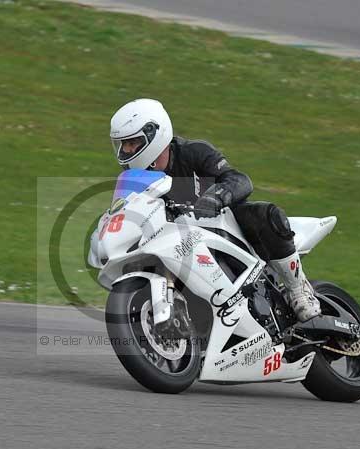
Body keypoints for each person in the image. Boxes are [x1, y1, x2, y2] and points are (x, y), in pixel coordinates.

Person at [109, 98, 321, 322]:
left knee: (267, 214)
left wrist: (215, 197)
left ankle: (298, 288)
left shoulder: (193, 152)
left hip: (225, 226)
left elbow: (239, 180)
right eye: (122, 144)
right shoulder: (135, 180)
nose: (125, 150)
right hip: (179, 242)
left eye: (132, 143)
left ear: (154, 135)